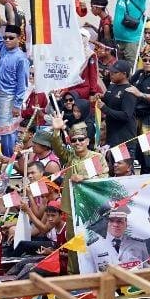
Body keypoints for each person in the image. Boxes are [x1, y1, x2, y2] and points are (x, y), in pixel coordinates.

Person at [50, 114, 108, 274]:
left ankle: (99, 275)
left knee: (95, 243)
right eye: (74, 140)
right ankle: (74, 276)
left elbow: (104, 179)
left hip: (93, 209)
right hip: (72, 211)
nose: (77, 143)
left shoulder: (97, 158)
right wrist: (56, 131)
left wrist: (84, 178)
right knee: (74, 244)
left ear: (88, 141)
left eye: (81, 139)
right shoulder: (70, 157)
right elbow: (57, 146)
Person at [0, 7, 29, 157]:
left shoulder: (21, 58)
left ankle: (9, 158)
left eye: (11, 38)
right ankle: (8, 156)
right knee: (4, 129)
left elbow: (23, 83)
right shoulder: (2, 48)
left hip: (10, 97)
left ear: (18, 39)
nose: (7, 40)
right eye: (6, 37)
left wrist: (17, 104)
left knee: (8, 130)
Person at [85, 206, 147, 271]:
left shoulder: (140, 245)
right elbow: (88, 277)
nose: (115, 224)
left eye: (119, 221)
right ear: (105, 224)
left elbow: (148, 272)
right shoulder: (92, 248)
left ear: (126, 223)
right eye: (111, 221)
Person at [97, 60, 137, 148]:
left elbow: (126, 115)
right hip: (111, 133)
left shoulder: (129, 91)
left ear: (124, 74)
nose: (111, 74)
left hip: (124, 137)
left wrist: (105, 109)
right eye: (110, 71)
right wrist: (101, 97)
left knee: (121, 162)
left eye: (115, 72)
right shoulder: (112, 86)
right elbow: (109, 100)